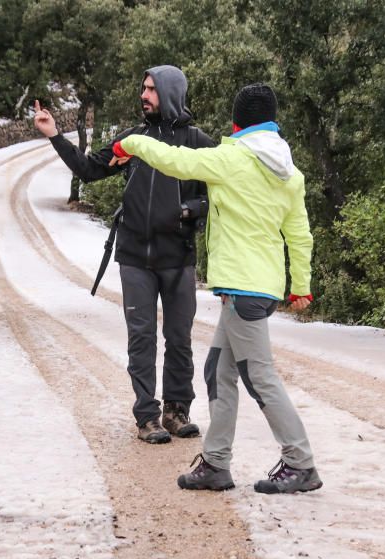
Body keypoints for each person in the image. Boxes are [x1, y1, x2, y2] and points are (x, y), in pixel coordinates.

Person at [111, 83, 321, 494]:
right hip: (261, 287)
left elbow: (174, 161)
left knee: (258, 377)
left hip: (242, 288)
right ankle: (215, 463)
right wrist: (301, 284)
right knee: (218, 372)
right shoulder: (289, 172)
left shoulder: (233, 158)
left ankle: (301, 462)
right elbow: (300, 234)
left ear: (237, 122)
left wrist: (132, 143)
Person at [33, 65, 214, 444]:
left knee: (179, 337)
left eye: (151, 90)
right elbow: (89, 169)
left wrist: (188, 210)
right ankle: (147, 416)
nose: (143, 96)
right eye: (143, 88)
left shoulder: (199, 143)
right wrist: (53, 134)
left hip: (178, 255)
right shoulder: (133, 140)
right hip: (134, 256)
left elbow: (213, 196)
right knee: (142, 337)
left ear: (170, 93)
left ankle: (177, 411)